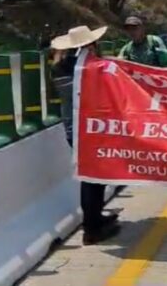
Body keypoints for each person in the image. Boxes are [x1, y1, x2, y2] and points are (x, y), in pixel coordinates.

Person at [51, 25, 120, 245]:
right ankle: (92, 228)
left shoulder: (60, 66)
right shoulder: (88, 68)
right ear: (89, 44)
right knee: (93, 178)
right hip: (89, 130)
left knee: (92, 176)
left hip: (75, 130)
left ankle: (95, 218)